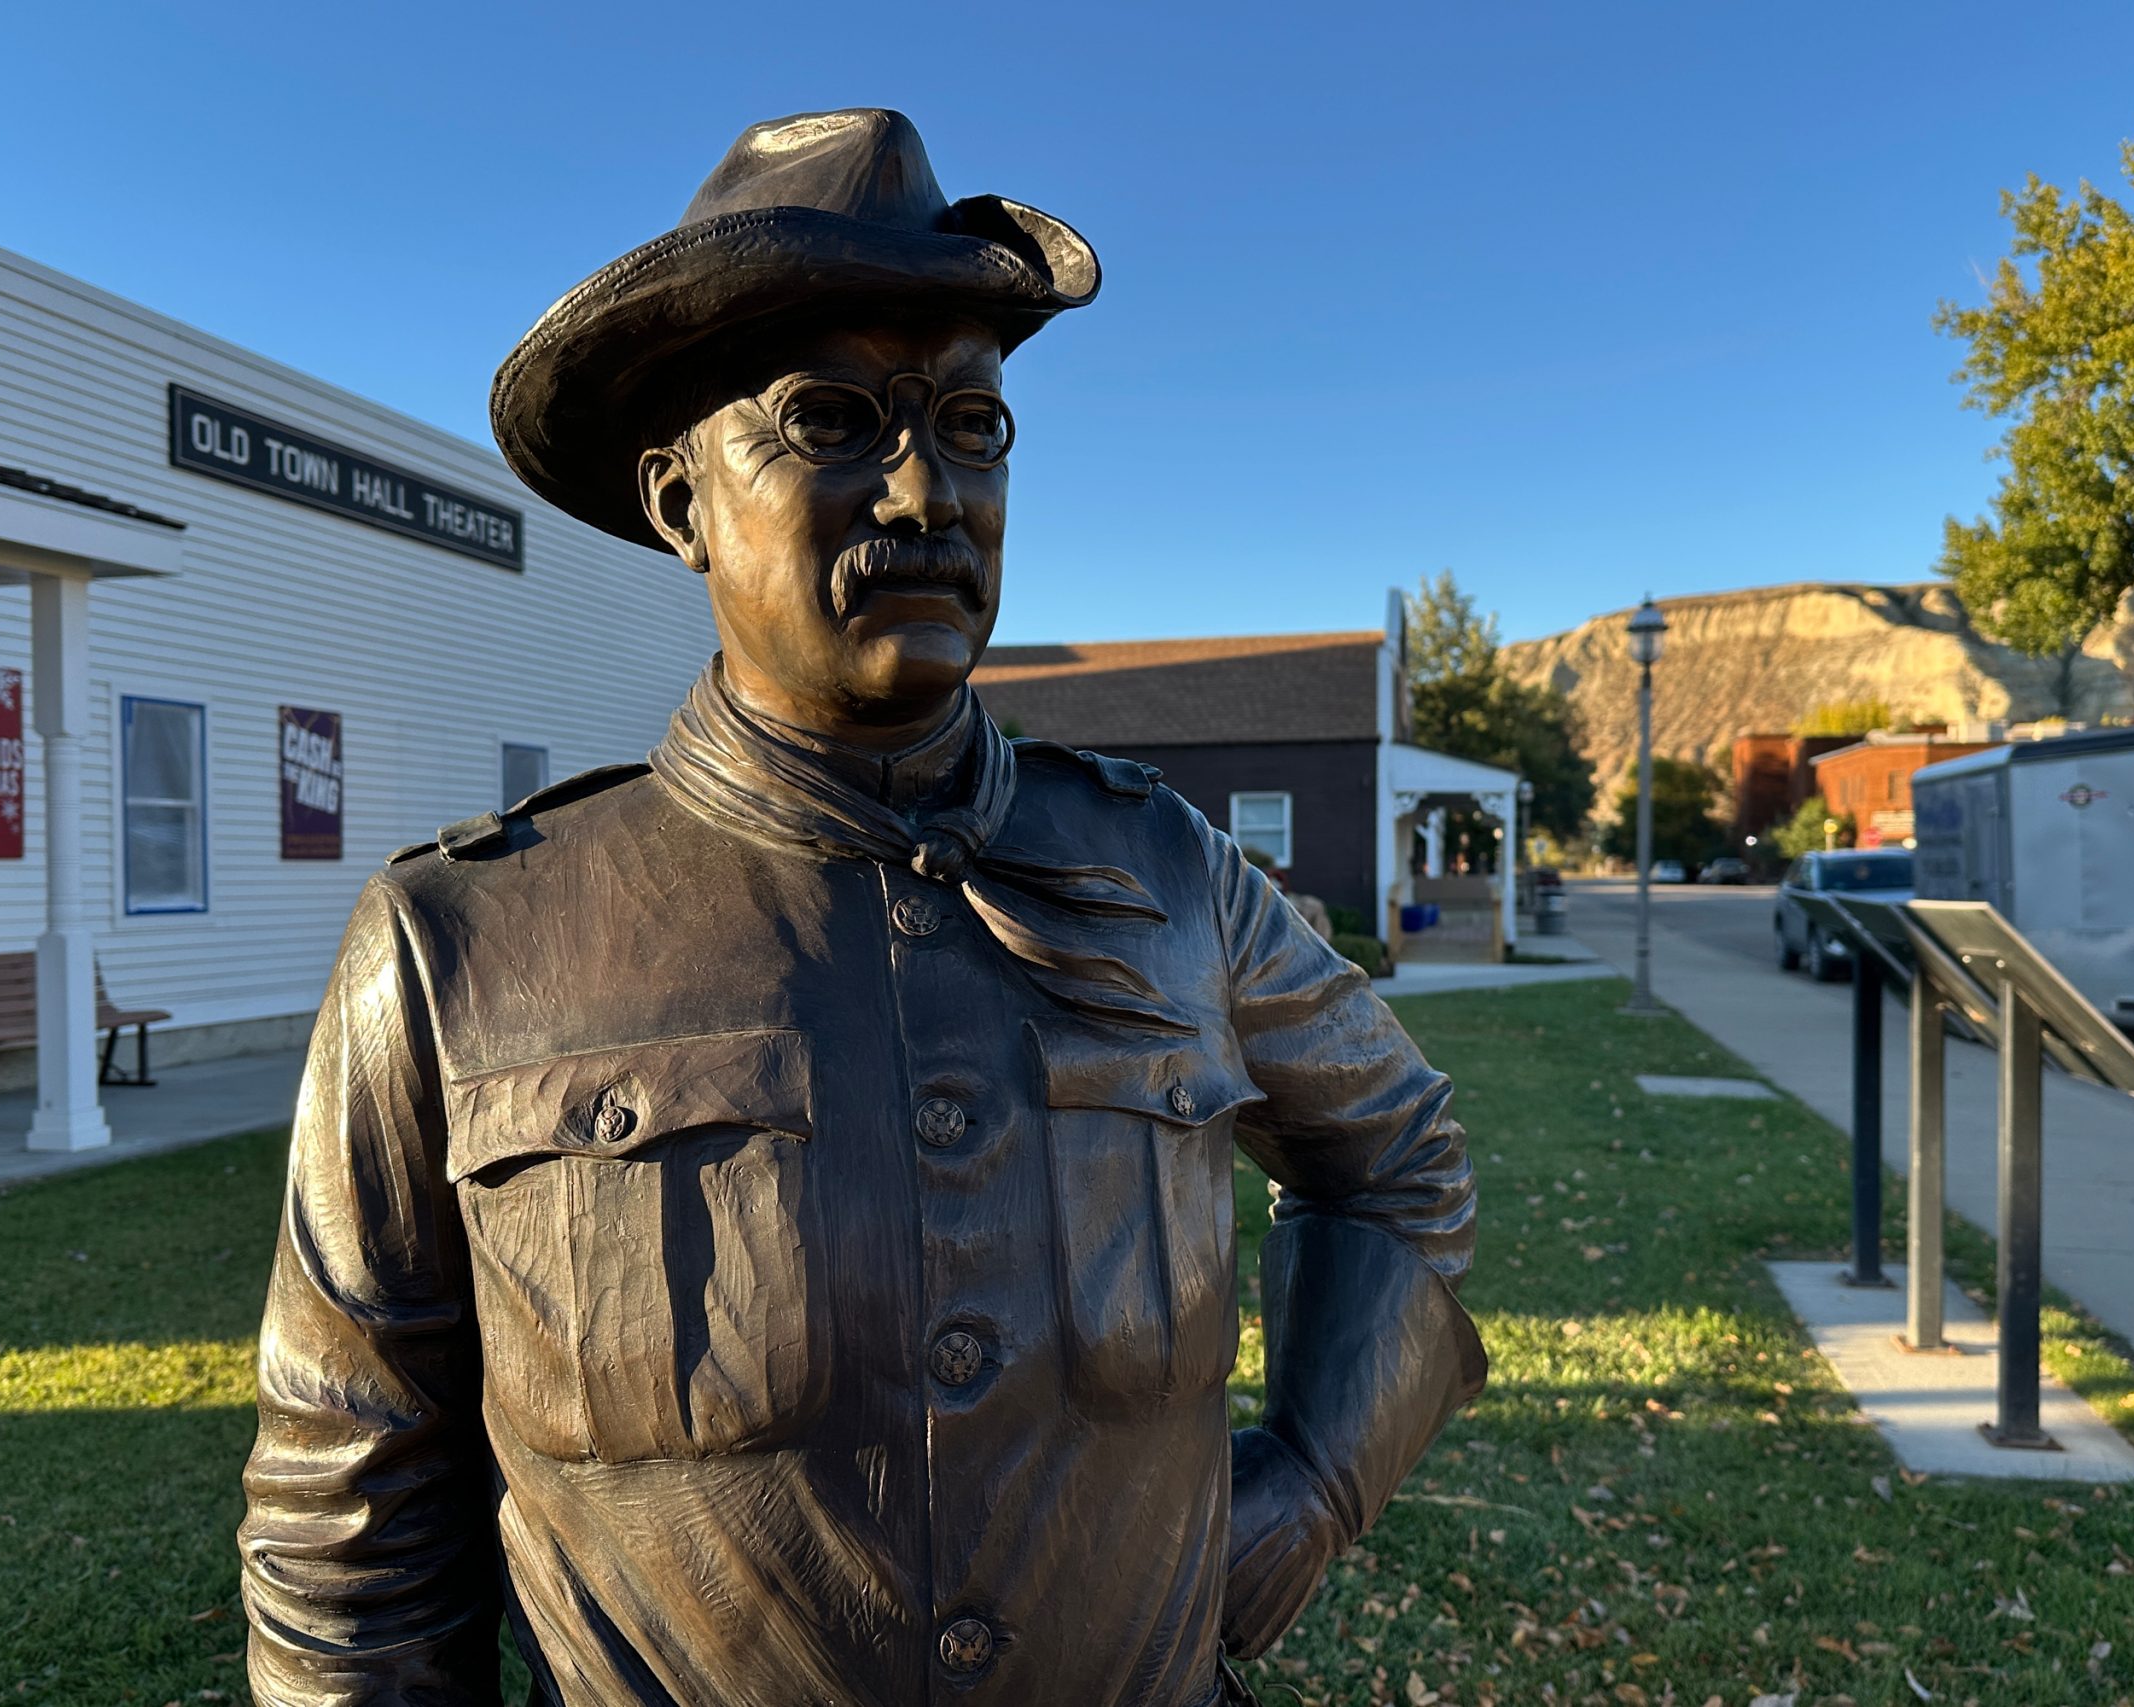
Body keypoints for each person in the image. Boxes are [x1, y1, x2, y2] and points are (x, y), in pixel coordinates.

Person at [238, 108, 1486, 1707]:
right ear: (682, 504)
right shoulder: (460, 947)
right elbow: (348, 1511)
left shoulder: (1170, 878)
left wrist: (1313, 1485)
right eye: (832, 421)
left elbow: (1402, 1160)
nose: (924, 491)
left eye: (972, 426)